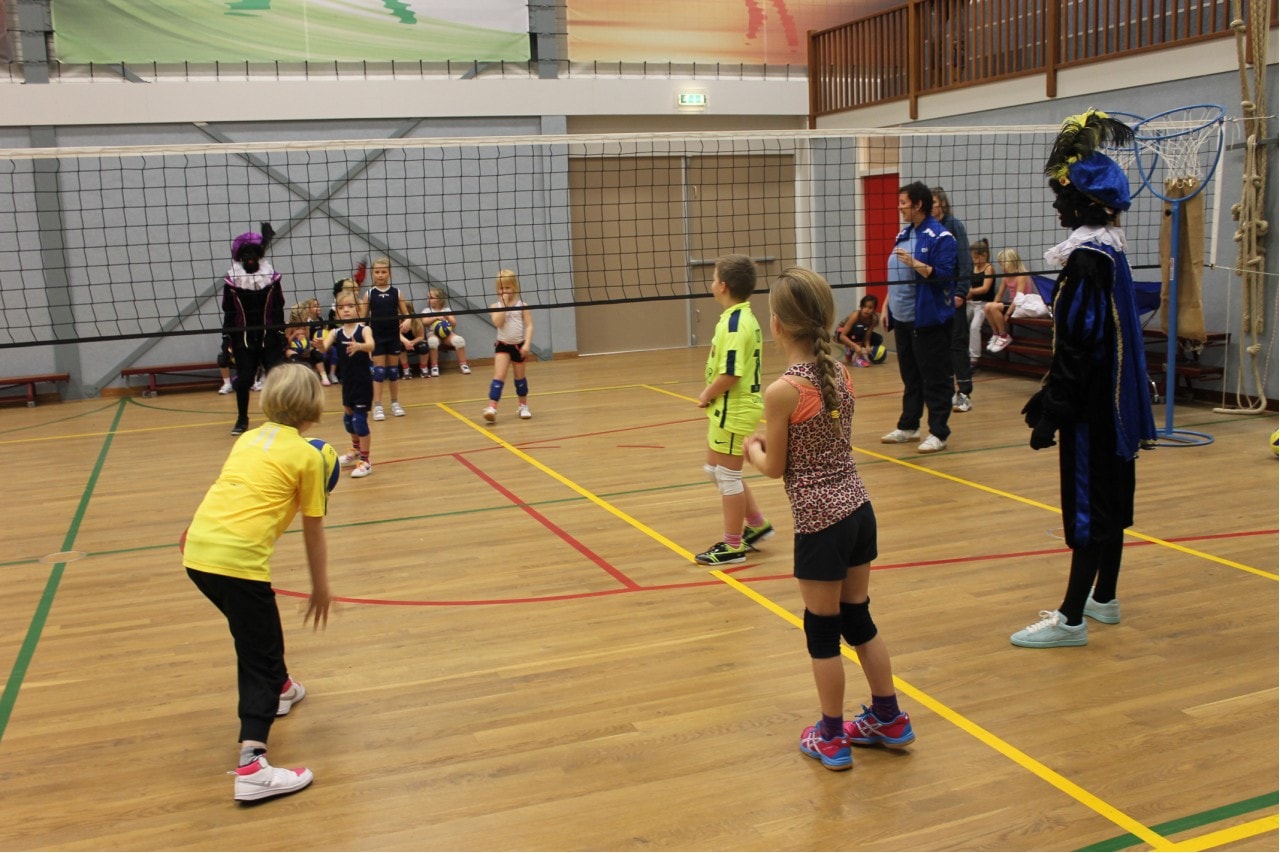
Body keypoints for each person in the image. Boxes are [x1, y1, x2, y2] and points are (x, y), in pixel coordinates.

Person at [744, 267, 913, 771]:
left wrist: (754, 448)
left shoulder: (782, 390)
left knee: (822, 632)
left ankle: (832, 737)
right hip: (859, 510)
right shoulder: (839, 372)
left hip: (821, 523)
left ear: (777, 325)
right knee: (858, 618)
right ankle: (889, 718)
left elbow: (775, 467)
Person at [1010, 109, 1157, 649]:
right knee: (1112, 498)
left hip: (1093, 410)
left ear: (1084, 204)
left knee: (1090, 504)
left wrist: (1053, 410)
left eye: (1062, 196)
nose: (1056, 206)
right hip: (1116, 405)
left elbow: (1078, 347)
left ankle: (1071, 619)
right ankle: (1105, 597)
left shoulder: (1087, 263)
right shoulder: (1111, 254)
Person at [183, 362, 334, 802]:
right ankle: (252, 765)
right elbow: (313, 530)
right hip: (238, 563)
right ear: (315, 403)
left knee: (255, 635)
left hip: (199, 554)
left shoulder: (248, 438)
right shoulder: (308, 457)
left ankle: (282, 688)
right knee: (259, 656)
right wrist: (320, 587)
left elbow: (241, 486)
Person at [693, 254, 773, 566]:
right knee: (715, 471)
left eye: (714, 278)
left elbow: (731, 373)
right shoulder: (736, 316)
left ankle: (732, 546)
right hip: (726, 407)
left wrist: (706, 394)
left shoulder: (737, 324)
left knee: (727, 476)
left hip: (733, 408)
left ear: (723, 286)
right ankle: (757, 524)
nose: (711, 283)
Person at [880, 181, 959, 454]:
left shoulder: (942, 237)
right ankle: (909, 426)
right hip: (902, 319)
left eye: (903, 203)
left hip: (928, 320)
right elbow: (896, 275)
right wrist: (887, 305)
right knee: (911, 377)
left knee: (935, 378)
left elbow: (945, 277)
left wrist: (915, 263)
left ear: (918, 204)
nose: (899, 207)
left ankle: (939, 432)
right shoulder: (903, 234)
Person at [223, 223, 287, 436]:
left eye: (253, 252)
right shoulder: (232, 281)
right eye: (246, 253)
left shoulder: (271, 278)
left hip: (270, 336)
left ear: (259, 255)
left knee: (277, 377)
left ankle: (280, 416)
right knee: (244, 380)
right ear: (240, 256)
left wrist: (280, 333)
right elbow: (229, 312)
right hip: (243, 338)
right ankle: (242, 418)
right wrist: (226, 341)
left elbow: (278, 307)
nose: (250, 257)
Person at [320, 284, 375, 479]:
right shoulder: (336, 333)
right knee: (348, 419)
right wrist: (319, 345)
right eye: (342, 307)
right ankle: (356, 449)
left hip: (363, 382)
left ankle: (366, 461)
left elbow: (371, 345)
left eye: (350, 306)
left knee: (360, 421)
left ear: (358, 309)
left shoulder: (364, 330)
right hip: (347, 383)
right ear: (337, 312)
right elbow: (323, 348)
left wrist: (359, 346)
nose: (346, 310)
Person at [933, 187, 975, 414]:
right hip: (935, 298)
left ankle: (965, 393)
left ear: (942, 203)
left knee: (957, 344)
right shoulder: (927, 229)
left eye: (933, 203)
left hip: (953, 296)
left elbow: (965, 261)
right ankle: (948, 390)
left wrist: (961, 291)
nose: (930, 207)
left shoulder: (954, 226)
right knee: (940, 346)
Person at [483, 269, 534, 423]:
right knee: (499, 377)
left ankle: (523, 406)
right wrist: (504, 305)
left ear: (514, 288)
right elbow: (498, 323)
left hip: (518, 346)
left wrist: (527, 344)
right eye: (501, 288)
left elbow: (529, 326)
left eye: (507, 287)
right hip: (503, 346)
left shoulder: (522, 305)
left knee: (520, 379)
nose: (504, 291)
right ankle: (492, 407)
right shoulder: (495, 306)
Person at [363, 257, 410, 421]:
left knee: (393, 371)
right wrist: (364, 340)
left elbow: (406, 314)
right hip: (377, 337)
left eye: (384, 272)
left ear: (389, 273)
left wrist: (407, 321)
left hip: (393, 336)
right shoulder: (369, 294)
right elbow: (362, 319)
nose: (380, 275)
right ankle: (377, 406)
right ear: (372, 273)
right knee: (379, 372)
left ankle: (395, 403)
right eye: (377, 272)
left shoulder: (397, 292)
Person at [983, 248, 1049, 353]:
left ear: (1010, 263)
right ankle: (996, 333)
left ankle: (1004, 335)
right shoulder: (1006, 277)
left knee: (994, 307)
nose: (1001, 267)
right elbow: (999, 294)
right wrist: (992, 305)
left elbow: (1018, 297)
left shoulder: (1021, 275)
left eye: (1003, 264)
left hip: (1021, 304)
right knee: (987, 306)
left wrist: (1007, 314)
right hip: (1011, 303)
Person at [426, 286, 472, 376]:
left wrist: (448, 317)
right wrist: (435, 317)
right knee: (432, 342)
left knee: (459, 341)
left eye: (431, 298)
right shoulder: (427, 310)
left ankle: (463, 364)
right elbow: (424, 322)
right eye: (428, 298)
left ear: (439, 299)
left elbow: (454, 324)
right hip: (433, 333)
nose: (429, 300)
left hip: (447, 333)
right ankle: (434, 366)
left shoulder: (446, 310)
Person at [965, 238, 997, 365]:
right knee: (959, 322)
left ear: (984, 255)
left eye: (976, 257)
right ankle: (959, 353)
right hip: (971, 303)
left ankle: (974, 358)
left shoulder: (989, 268)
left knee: (974, 327)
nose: (974, 260)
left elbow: (985, 288)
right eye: (972, 258)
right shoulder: (974, 267)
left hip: (984, 304)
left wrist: (971, 291)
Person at [836, 294, 883, 367]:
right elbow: (842, 336)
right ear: (861, 307)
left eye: (870, 308)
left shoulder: (873, 319)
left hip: (857, 335)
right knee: (859, 328)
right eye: (864, 307)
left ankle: (851, 350)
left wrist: (867, 346)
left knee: (878, 339)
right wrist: (855, 346)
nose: (867, 310)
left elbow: (867, 336)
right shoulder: (855, 316)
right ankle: (857, 356)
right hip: (841, 333)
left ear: (874, 309)